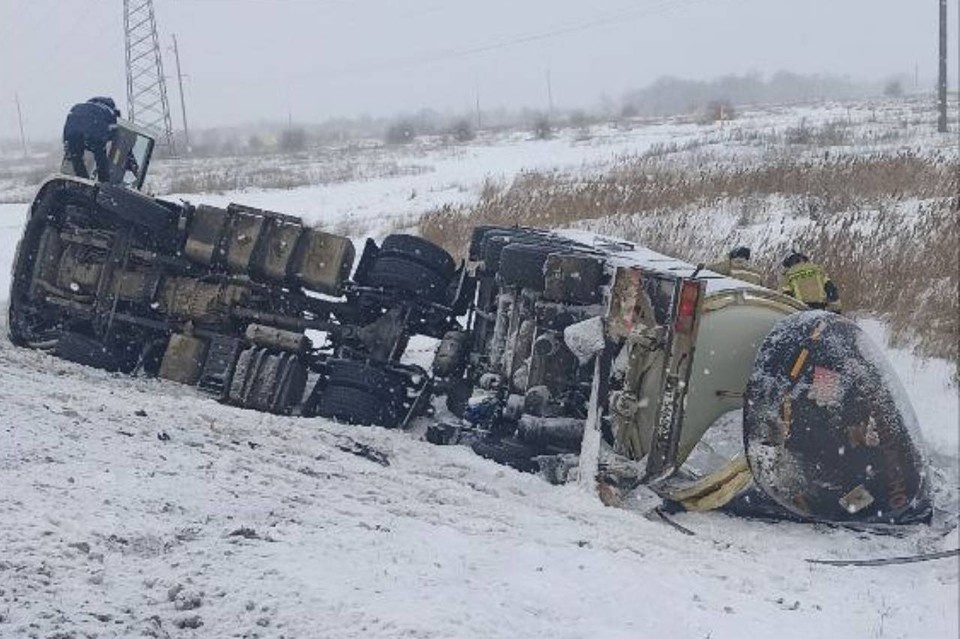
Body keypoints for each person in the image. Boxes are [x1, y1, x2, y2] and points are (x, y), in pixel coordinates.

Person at [62, 96, 121, 181]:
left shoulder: (78, 107)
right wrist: (106, 140)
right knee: (100, 155)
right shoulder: (109, 111)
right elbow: (115, 133)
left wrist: (66, 142)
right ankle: (103, 182)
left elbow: (68, 126)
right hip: (95, 131)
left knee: (76, 157)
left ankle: (82, 181)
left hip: (72, 132)